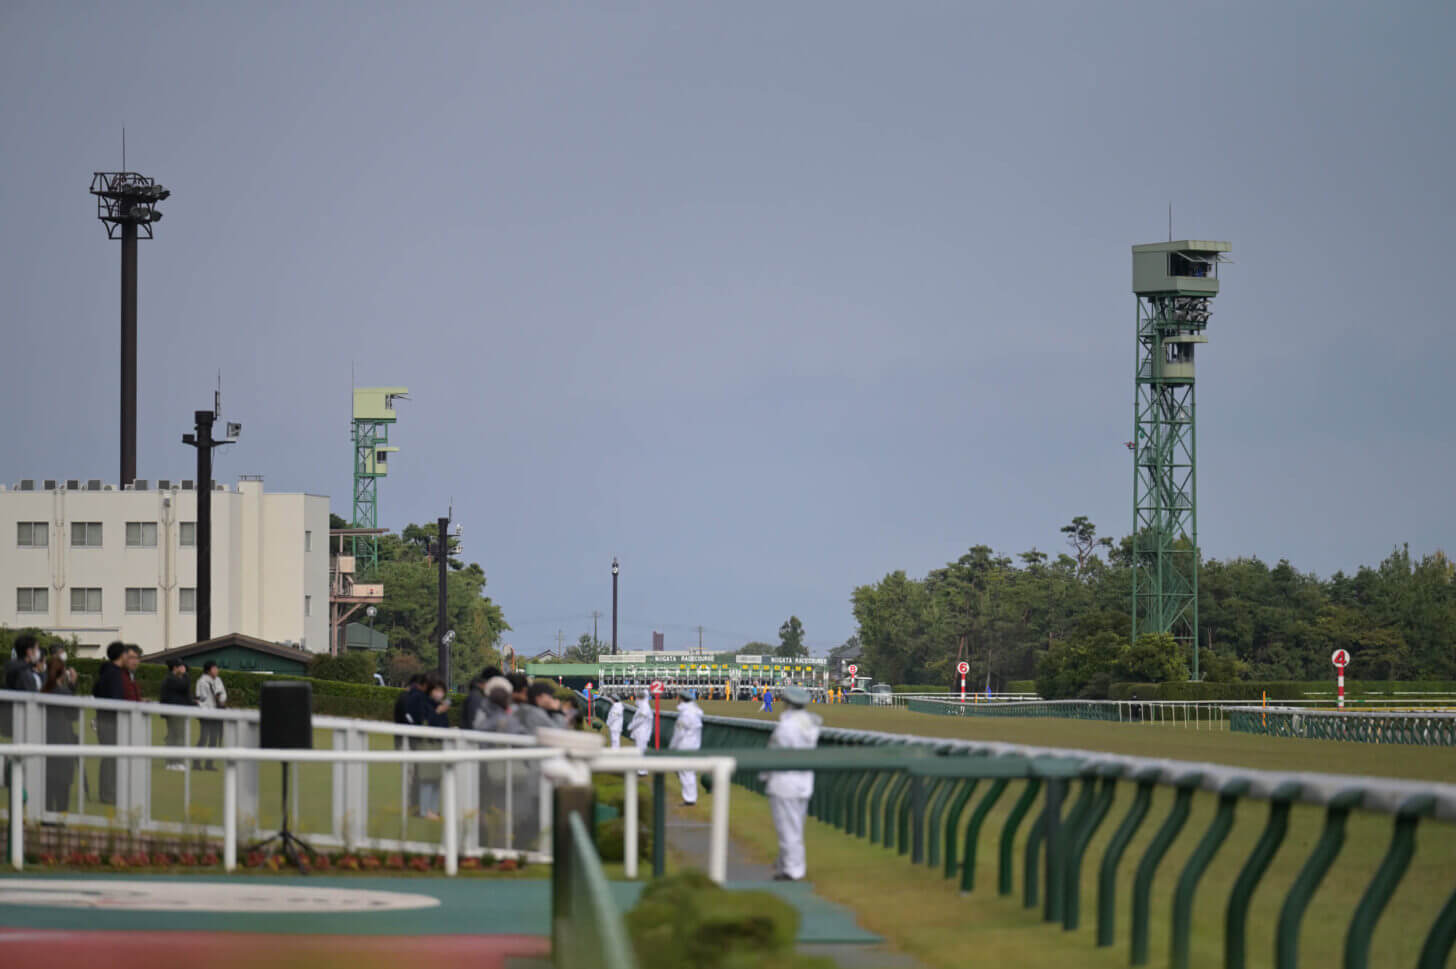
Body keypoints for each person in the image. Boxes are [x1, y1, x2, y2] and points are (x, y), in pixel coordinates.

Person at [761, 685, 821, 881]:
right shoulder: (811, 724)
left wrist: (764, 775)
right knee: (795, 827)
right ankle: (786, 863)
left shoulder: (786, 727)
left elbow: (775, 752)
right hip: (804, 781)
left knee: (787, 828)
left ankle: (793, 870)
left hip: (784, 782)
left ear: (787, 703)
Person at [405, 674, 451, 820]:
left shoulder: (441, 706)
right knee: (426, 780)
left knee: (436, 780)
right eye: (436, 690)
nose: (439, 693)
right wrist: (437, 712)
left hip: (438, 745)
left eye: (441, 690)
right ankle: (425, 810)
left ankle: (434, 810)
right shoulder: (424, 704)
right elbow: (425, 722)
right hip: (427, 745)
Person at [92, 641, 129, 805]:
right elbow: (116, 699)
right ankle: (108, 794)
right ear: (121, 655)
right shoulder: (114, 674)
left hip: (104, 718)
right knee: (110, 759)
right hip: (110, 720)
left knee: (110, 758)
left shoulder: (106, 671)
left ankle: (109, 792)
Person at [42, 656, 79, 812]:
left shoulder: (42, 690)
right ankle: (60, 820)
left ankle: (46, 818)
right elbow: (73, 715)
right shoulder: (64, 693)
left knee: (47, 785)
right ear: (63, 673)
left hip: (44, 739)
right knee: (62, 785)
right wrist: (72, 685)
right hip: (63, 739)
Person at [669, 689, 704, 805]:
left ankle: (689, 799)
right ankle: (690, 797)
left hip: (684, 746)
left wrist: (672, 748)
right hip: (694, 745)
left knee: (685, 772)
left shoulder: (685, 714)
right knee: (688, 772)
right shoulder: (695, 712)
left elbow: (678, 734)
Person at [193, 661, 227, 770]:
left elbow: (223, 694)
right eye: (214, 668)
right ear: (208, 670)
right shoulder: (201, 682)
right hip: (205, 713)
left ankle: (209, 763)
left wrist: (221, 699)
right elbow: (201, 698)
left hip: (217, 712)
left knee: (214, 738)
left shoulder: (218, 680)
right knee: (203, 737)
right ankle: (196, 762)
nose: (216, 670)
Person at [159, 659, 193, 770]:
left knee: (175, 736)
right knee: (177, 736)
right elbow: (184, 687)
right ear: (175, 668)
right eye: (181, 666)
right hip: (174, 712)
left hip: (177, 711)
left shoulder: (173, 679)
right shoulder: (171, 679)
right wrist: (186, 676)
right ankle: (175, 762)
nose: (183, 669)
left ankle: (173, 762)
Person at [627, 689, 653, 776]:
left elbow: (640, 719)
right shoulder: (643, 706)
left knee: (641, 751)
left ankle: (642, 771)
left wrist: (631, 726)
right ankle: (641, 769)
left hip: (642, 732)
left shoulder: (644, 706)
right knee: (640, 751)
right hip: (641, 732)